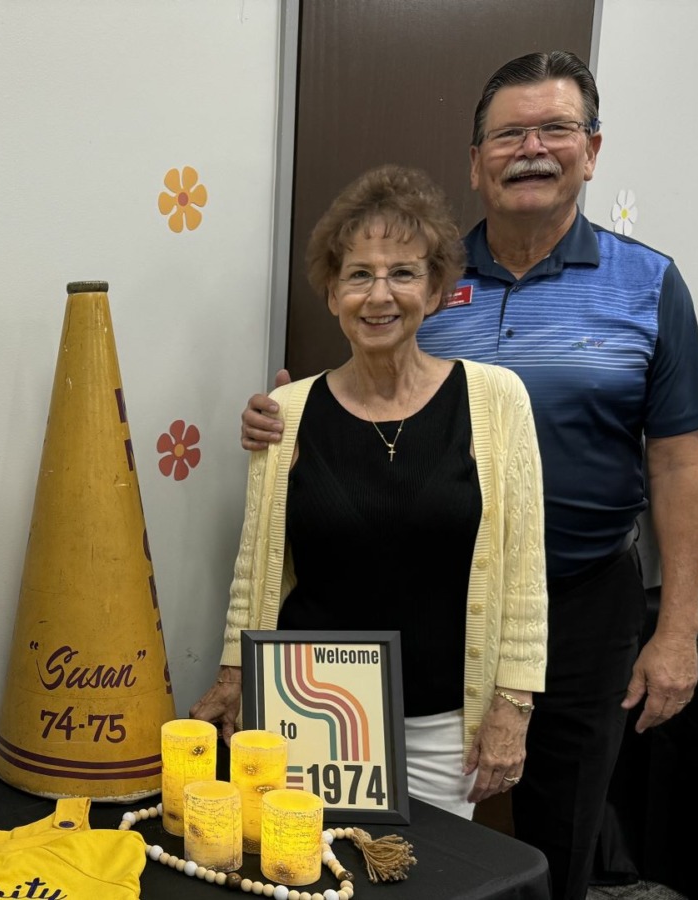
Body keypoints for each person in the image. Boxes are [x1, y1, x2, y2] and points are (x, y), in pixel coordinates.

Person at [234, 51, 698, 900]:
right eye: (508, 134)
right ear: (476, 160)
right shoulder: (425, 271)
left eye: (556, 128)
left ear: (592, 151)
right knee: (399, 859)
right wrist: (279, 418)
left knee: (558, 839)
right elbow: (357, 403)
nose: (532, 148)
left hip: (579, 602)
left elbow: (679, 461)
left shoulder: (648, 283)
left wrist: (679, 630)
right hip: (434, 613)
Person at [190, 164, 548, 822]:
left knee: (422, 879)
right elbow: (258, 568)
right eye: (358, 274)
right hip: (304, 712)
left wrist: (513, 705)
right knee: (300, 875)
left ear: (438, 289)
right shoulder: (286, 412)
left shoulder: (496, 402)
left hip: (440, 728)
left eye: (403, 273)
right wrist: (235, 673)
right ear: (332, 294)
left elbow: (524, 572)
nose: (378, 295)